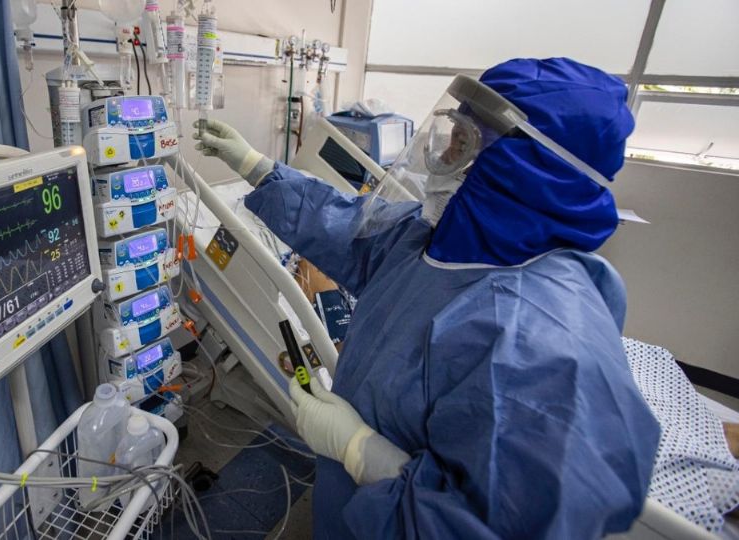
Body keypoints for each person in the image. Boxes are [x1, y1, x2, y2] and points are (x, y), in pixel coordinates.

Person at [193, 57, 661, 539]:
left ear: (524, 171)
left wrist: (363, 453)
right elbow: (349, 230)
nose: (440, 160)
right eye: (450, 136)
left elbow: (496, 527)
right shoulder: (437, 238)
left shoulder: (544, 349)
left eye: (463, 145)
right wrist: (258, 167)